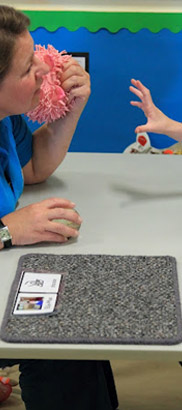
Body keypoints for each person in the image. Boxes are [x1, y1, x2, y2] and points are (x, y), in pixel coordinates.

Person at [0, 6, 118, 410]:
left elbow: (31, 168)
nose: (42, 69)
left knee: (80, 320)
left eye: (35, 55)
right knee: (59, 344)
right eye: (26, 68)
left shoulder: (5, 119)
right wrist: (7, 230)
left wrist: (72, 108)